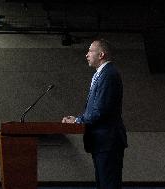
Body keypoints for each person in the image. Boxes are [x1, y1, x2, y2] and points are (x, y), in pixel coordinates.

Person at [62, 39, 128, 189]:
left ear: (101, 54)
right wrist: (78, 118)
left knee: (108, 185)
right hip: (101, 141)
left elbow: (101, 110)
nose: (86, 54)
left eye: (90, 51)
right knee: (103, 184)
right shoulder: (100, 74)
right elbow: (95, 108)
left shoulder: (109, 74)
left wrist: (79, 121)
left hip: (108, 141)